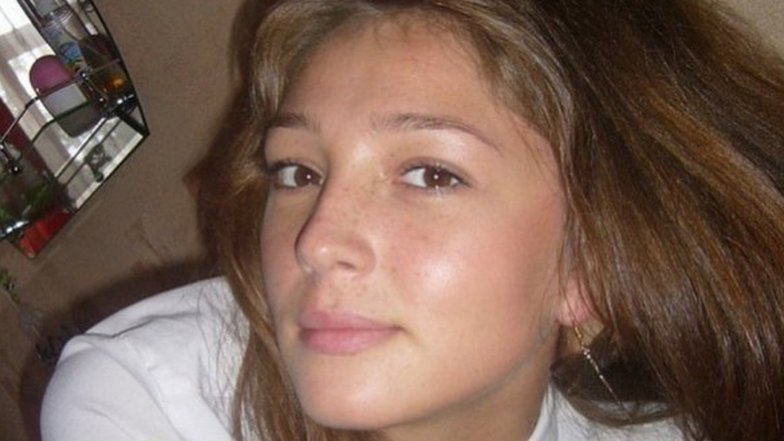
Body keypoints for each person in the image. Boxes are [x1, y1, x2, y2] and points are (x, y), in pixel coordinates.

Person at [41, 1, 784, 440]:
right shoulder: (151, 402)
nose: (316, 241)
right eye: (297, 172)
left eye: (430, 174)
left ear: (587, 264)